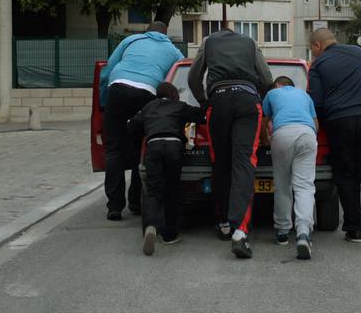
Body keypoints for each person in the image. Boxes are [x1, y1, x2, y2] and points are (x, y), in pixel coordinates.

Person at [188, 27, 273, 259]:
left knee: (220, 163)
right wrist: (259, 97)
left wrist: (204, 101)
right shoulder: (250, 43)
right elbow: (267, 78)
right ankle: (240, 232)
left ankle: (224, 222)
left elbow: (193, 78)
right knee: (244, 163)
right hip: (248, 101)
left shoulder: (208, 42)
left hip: (219, 101)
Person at [308, 28, 361, 246]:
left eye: (312, 50)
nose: (313, 54)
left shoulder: (318, 65)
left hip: (340, 122)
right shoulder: (359, 53)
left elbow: (317, 103)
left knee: (346, 176)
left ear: (317, 45)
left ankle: (354, 229)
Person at [99, 21, 184, 221]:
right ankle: (136, 202)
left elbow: (107, 71)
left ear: (147, 31)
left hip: (118, 89)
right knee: (141, 150)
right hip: (147, 93)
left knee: (114, 149)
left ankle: (114, 206)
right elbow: (177, 80)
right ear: (165, 34)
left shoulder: (130, 40)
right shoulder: (174, 51)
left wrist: (104, 103)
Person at [127, 82, 205, 255]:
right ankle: (170, 235)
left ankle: (151, 226)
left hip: (153, 146)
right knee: (172, 190)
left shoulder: (149, 107)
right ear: (174, 94)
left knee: (153, 190)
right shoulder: (179, 106)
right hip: (174, 147)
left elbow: (132, 126)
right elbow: (202, 116)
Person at [262, 75, 318, 260]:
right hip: (307, 134)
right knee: (304, 186)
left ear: (277, 85)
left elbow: (264, 121)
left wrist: (265, 140)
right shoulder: (305, 96)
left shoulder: (272, 94)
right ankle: (303, 233)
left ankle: (282, 232)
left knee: (283, 185)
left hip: (282, 134)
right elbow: (316, 124)